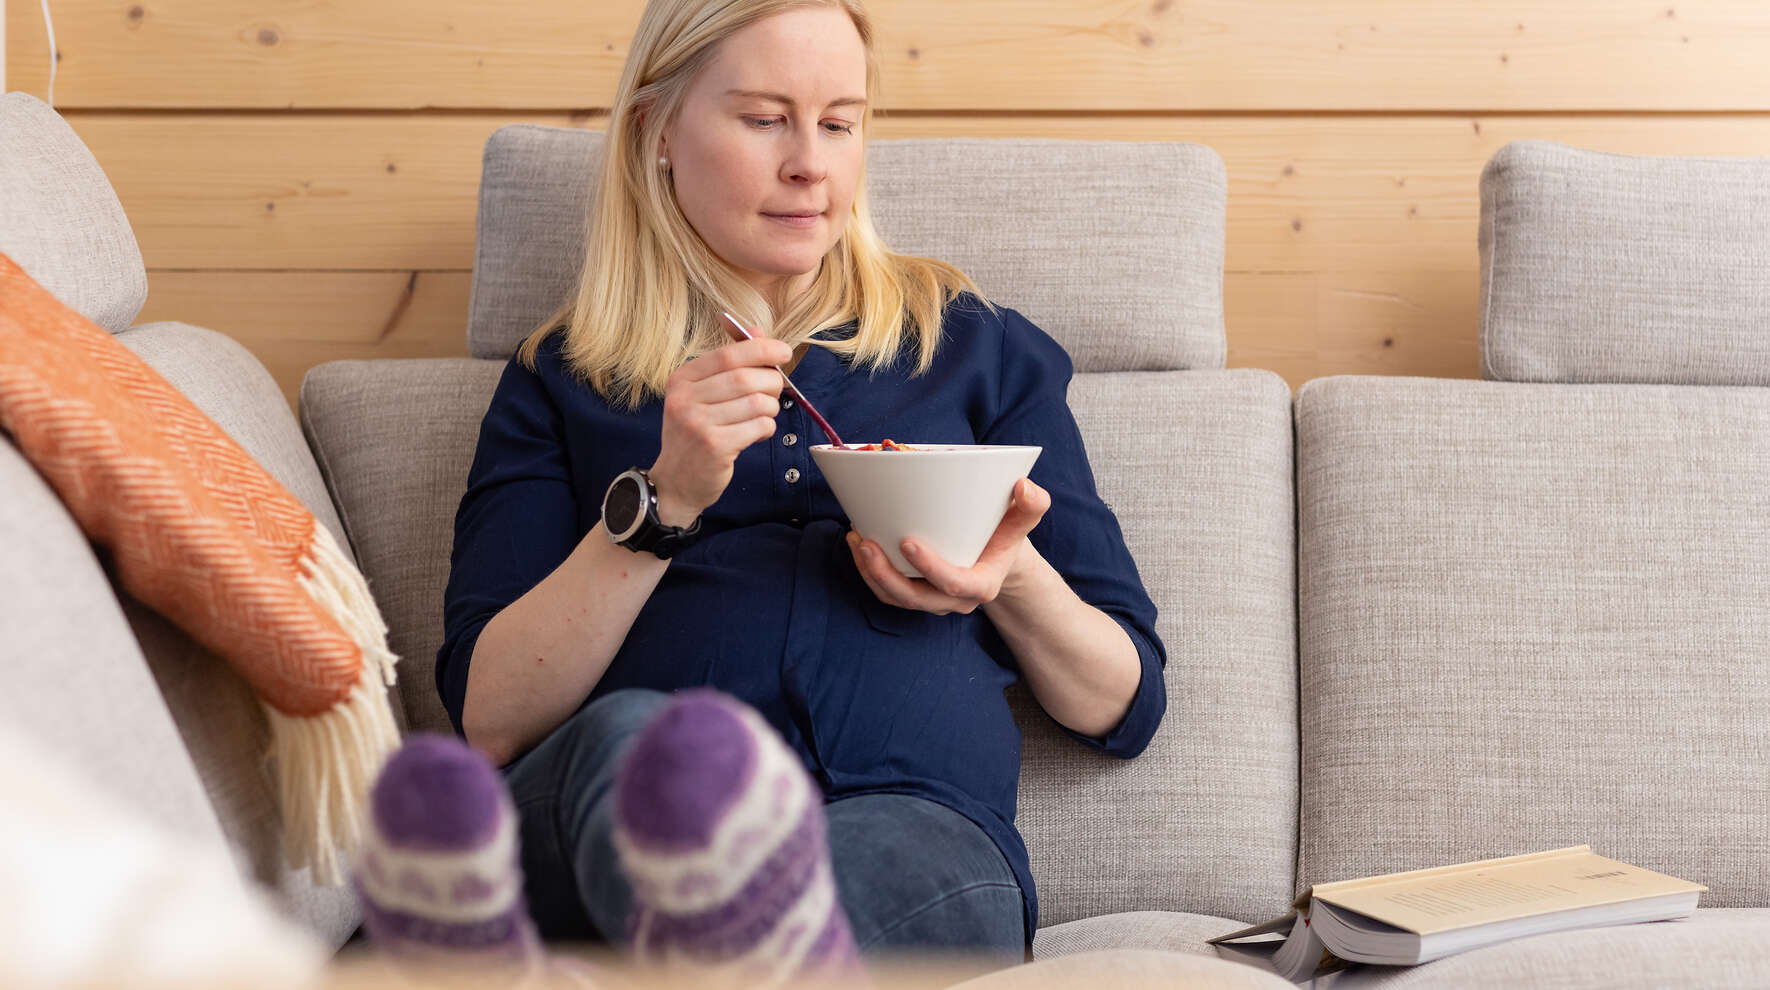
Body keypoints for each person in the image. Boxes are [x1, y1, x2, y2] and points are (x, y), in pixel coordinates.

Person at [432, 0, 1167, 976]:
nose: (810, 164)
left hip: (917, 835)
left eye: (839, 121)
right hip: (618, 813)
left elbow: (1126, 701)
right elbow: (493, 717)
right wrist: (664, 502)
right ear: (657, 132)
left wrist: (1007, 573)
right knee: (648, 747)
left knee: (855, 883)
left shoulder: (976, 349)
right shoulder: (566, 377)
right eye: (765, 117)